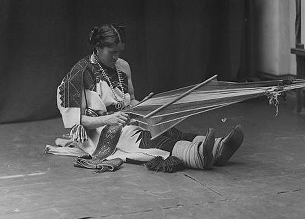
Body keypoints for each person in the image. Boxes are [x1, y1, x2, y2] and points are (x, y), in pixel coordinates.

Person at [46, 24, 244, 172]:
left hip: (125, 119)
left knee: (165, 128)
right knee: (144, 137)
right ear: (97, 48)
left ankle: (218, 147)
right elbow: (76, 121)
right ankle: (199, 156)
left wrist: (142, 105)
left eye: (119, 52)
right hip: (98, 131)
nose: (116, 57)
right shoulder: (79, 73)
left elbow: (130, 100)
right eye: (111, 52)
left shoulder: (122, 66)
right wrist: (109, 119)